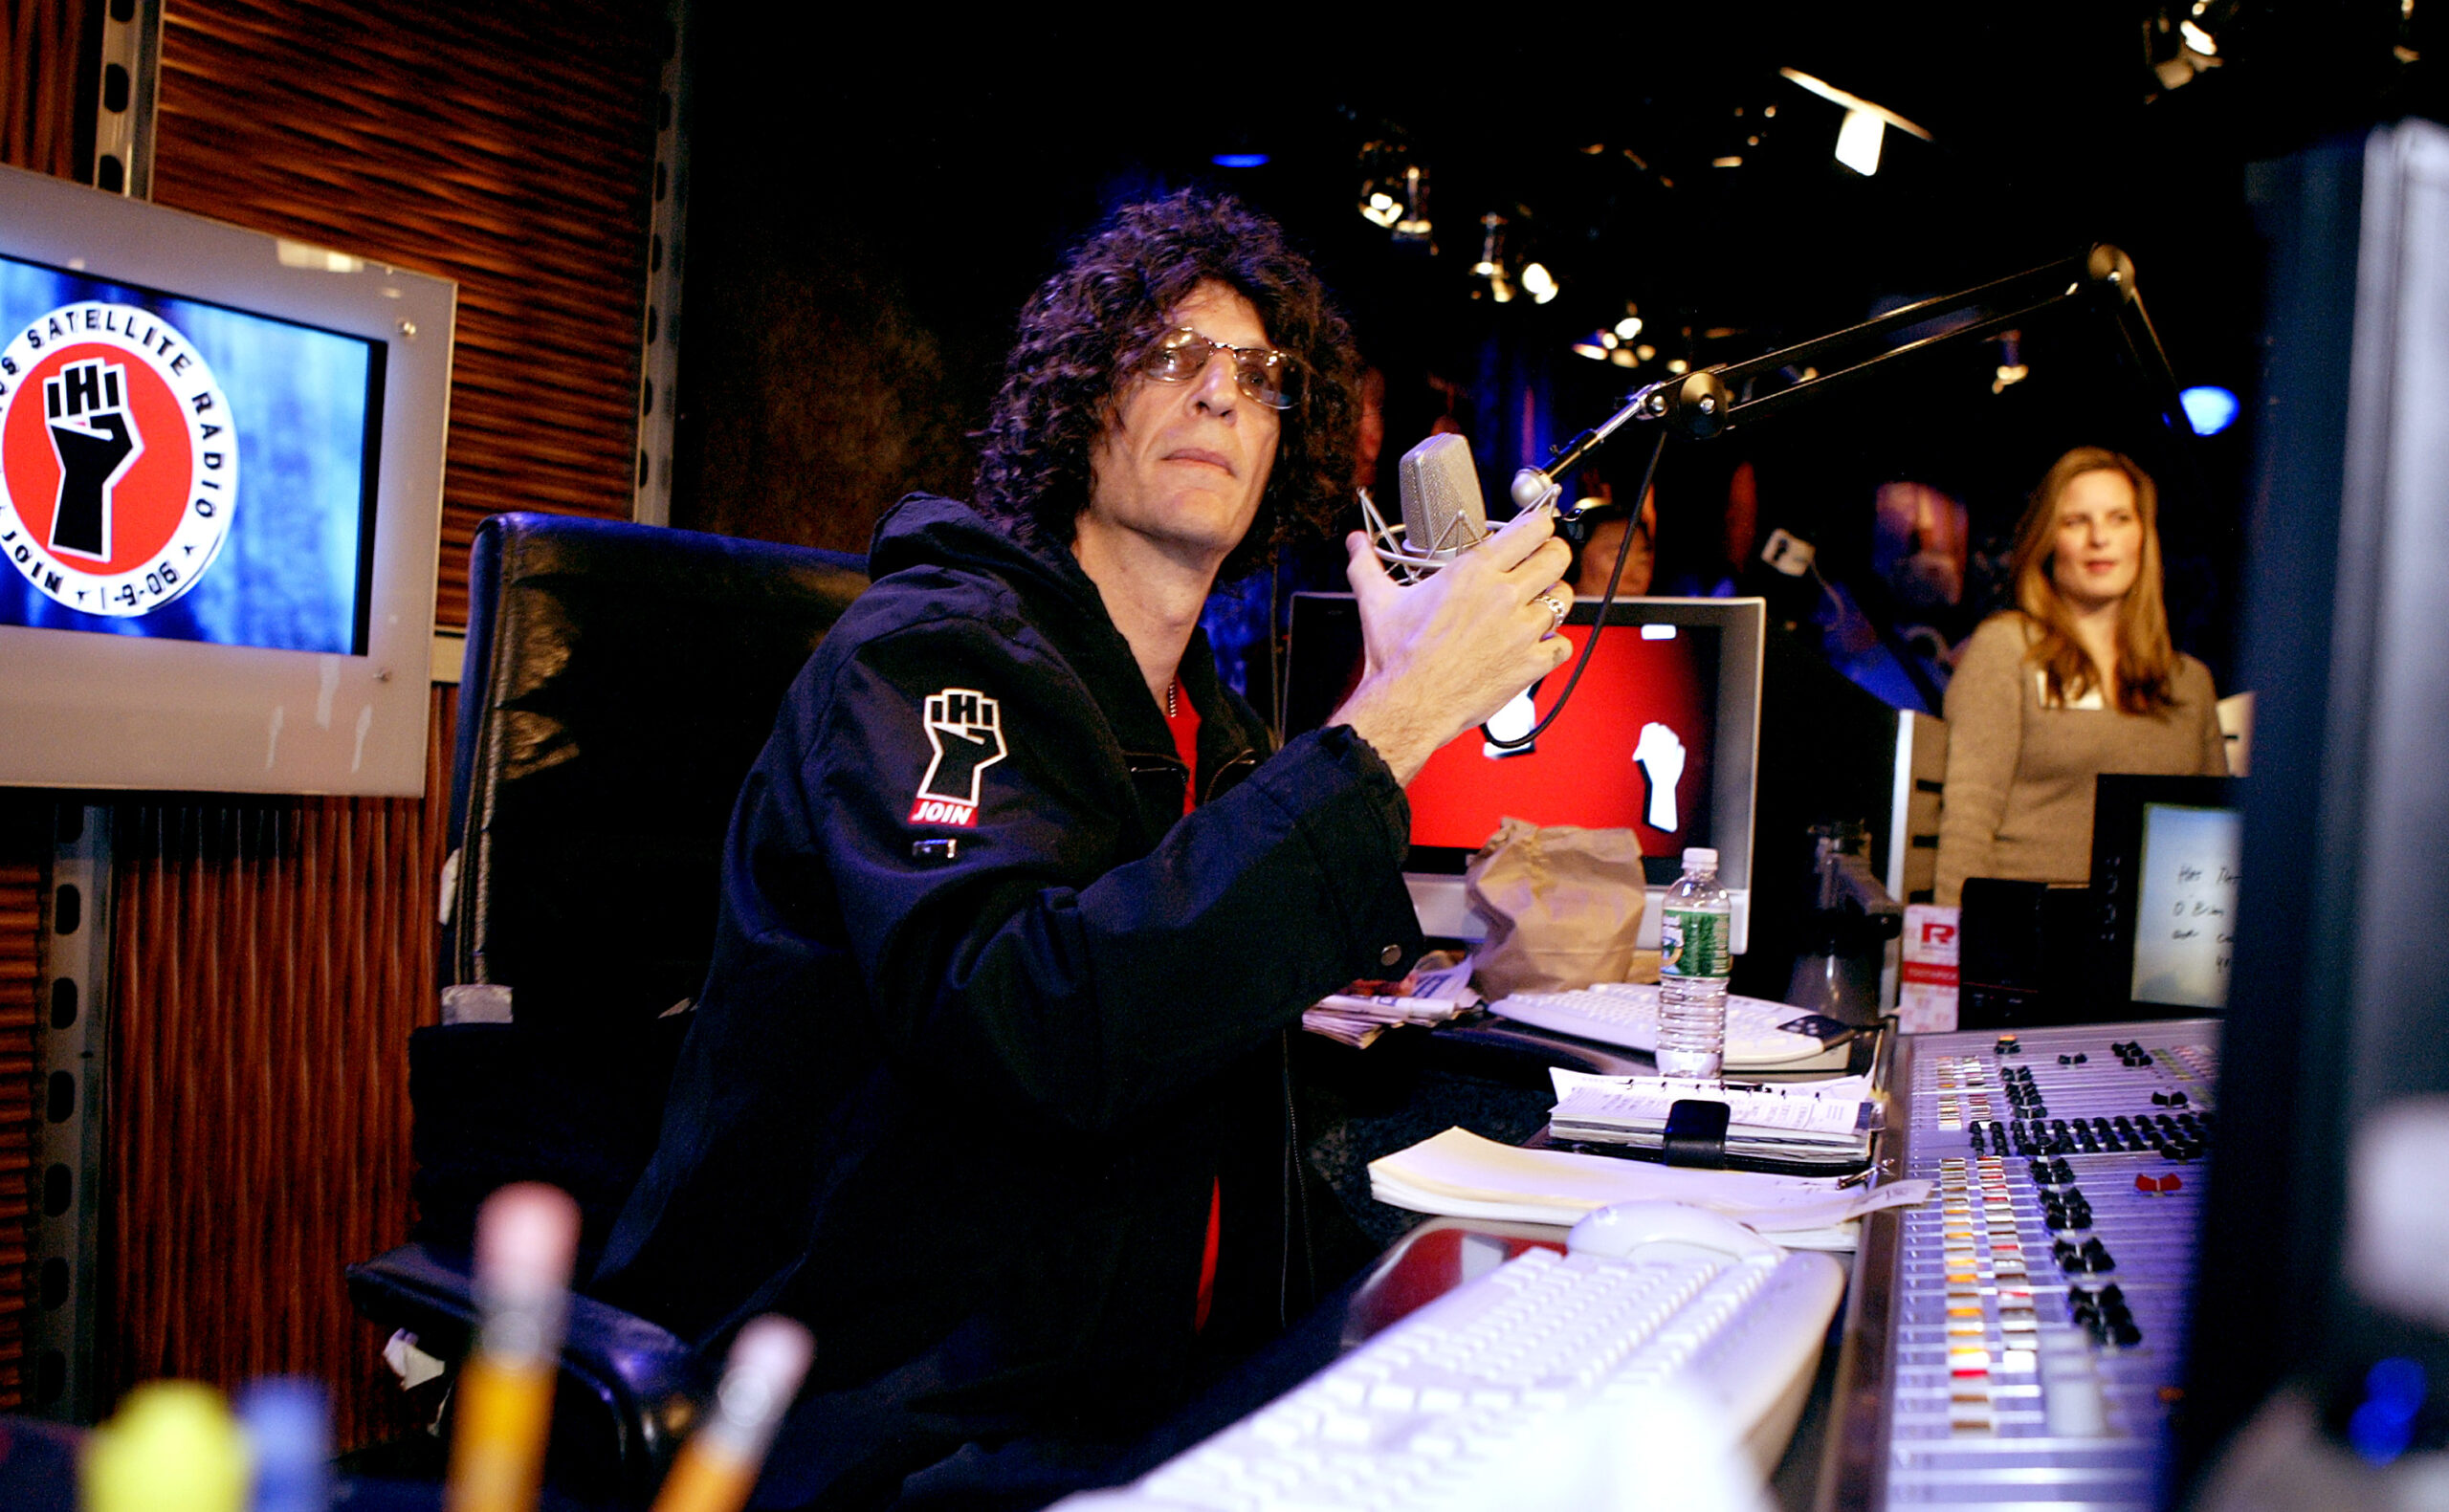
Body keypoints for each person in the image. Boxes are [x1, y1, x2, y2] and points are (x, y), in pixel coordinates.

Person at [593, 191, 1574, 1508]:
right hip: (897, 1406)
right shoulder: (927, 653)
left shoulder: (1200, 727)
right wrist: (1388, 724)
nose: (1221, 397)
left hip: (1137, 1382)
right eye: (1170, 357)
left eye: (1261, 377)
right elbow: (1036, 1016)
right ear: (1076, 402)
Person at [1934, 447, 2226, 907]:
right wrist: (1953, 954)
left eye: (2118, 518)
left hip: (2149, 955)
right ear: (2050, 540)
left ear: (2143, 537)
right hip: (2026, 944)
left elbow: (2214, 846)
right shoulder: (2008, 649)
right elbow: (1967, 821)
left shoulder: (2191, 683)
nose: (2099, 538)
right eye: (2076, 522)